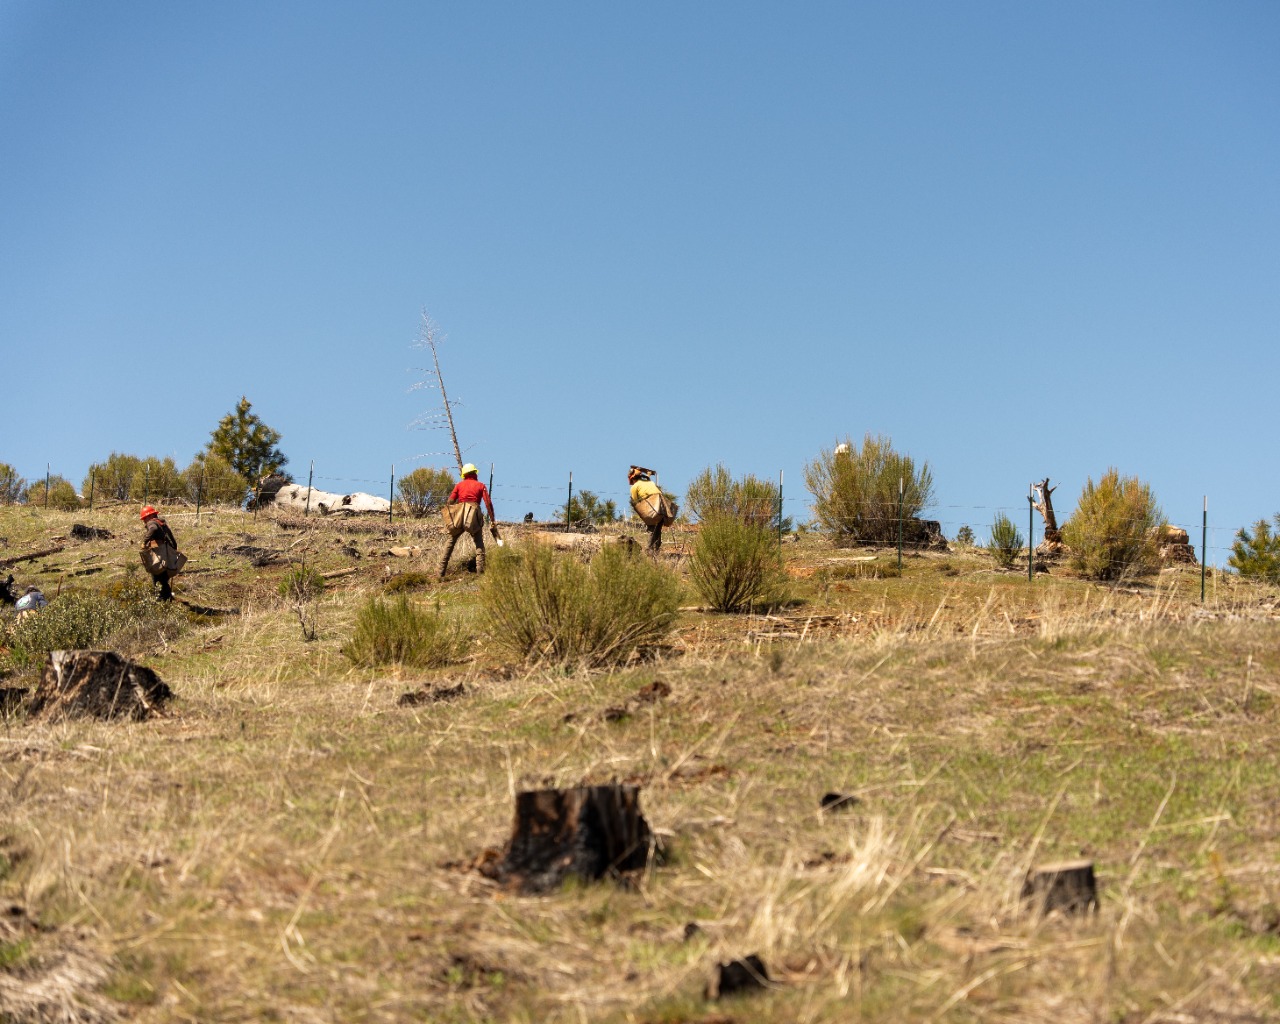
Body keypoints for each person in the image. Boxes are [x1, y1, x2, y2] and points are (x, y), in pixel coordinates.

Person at [438, 464, 497, 578]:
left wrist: (451, 517)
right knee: (479, 544)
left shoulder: (459, 485)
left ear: (464, 475)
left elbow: (450, 501)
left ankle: (440, 573)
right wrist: (492, 519)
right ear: (475, 473)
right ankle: (480, 572)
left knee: (450, 543)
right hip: (473, 516)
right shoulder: (480, 485)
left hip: (460, 515)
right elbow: (488, 503)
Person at [139, 505, 180, 601]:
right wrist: (173, 549)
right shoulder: (162, 523)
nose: (144, 521)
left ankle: (161, 599)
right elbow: (172, 540)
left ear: (149, 516)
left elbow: (153, 529)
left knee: (157, 576)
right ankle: (167, 597)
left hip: (158, 554)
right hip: (166, 552)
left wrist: (144, 542)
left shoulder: (152, 523)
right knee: (164, 577)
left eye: (144, 519)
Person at [628, 465, 669, 552]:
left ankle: (650, 550)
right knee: (657, 529)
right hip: (662, 506)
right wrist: (648, 475)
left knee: (652, 528)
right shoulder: (650, 483)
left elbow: (636, 502)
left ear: (632, 478)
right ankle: (656, 550)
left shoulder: (634, 487)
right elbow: (648, 485)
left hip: (652, 508)